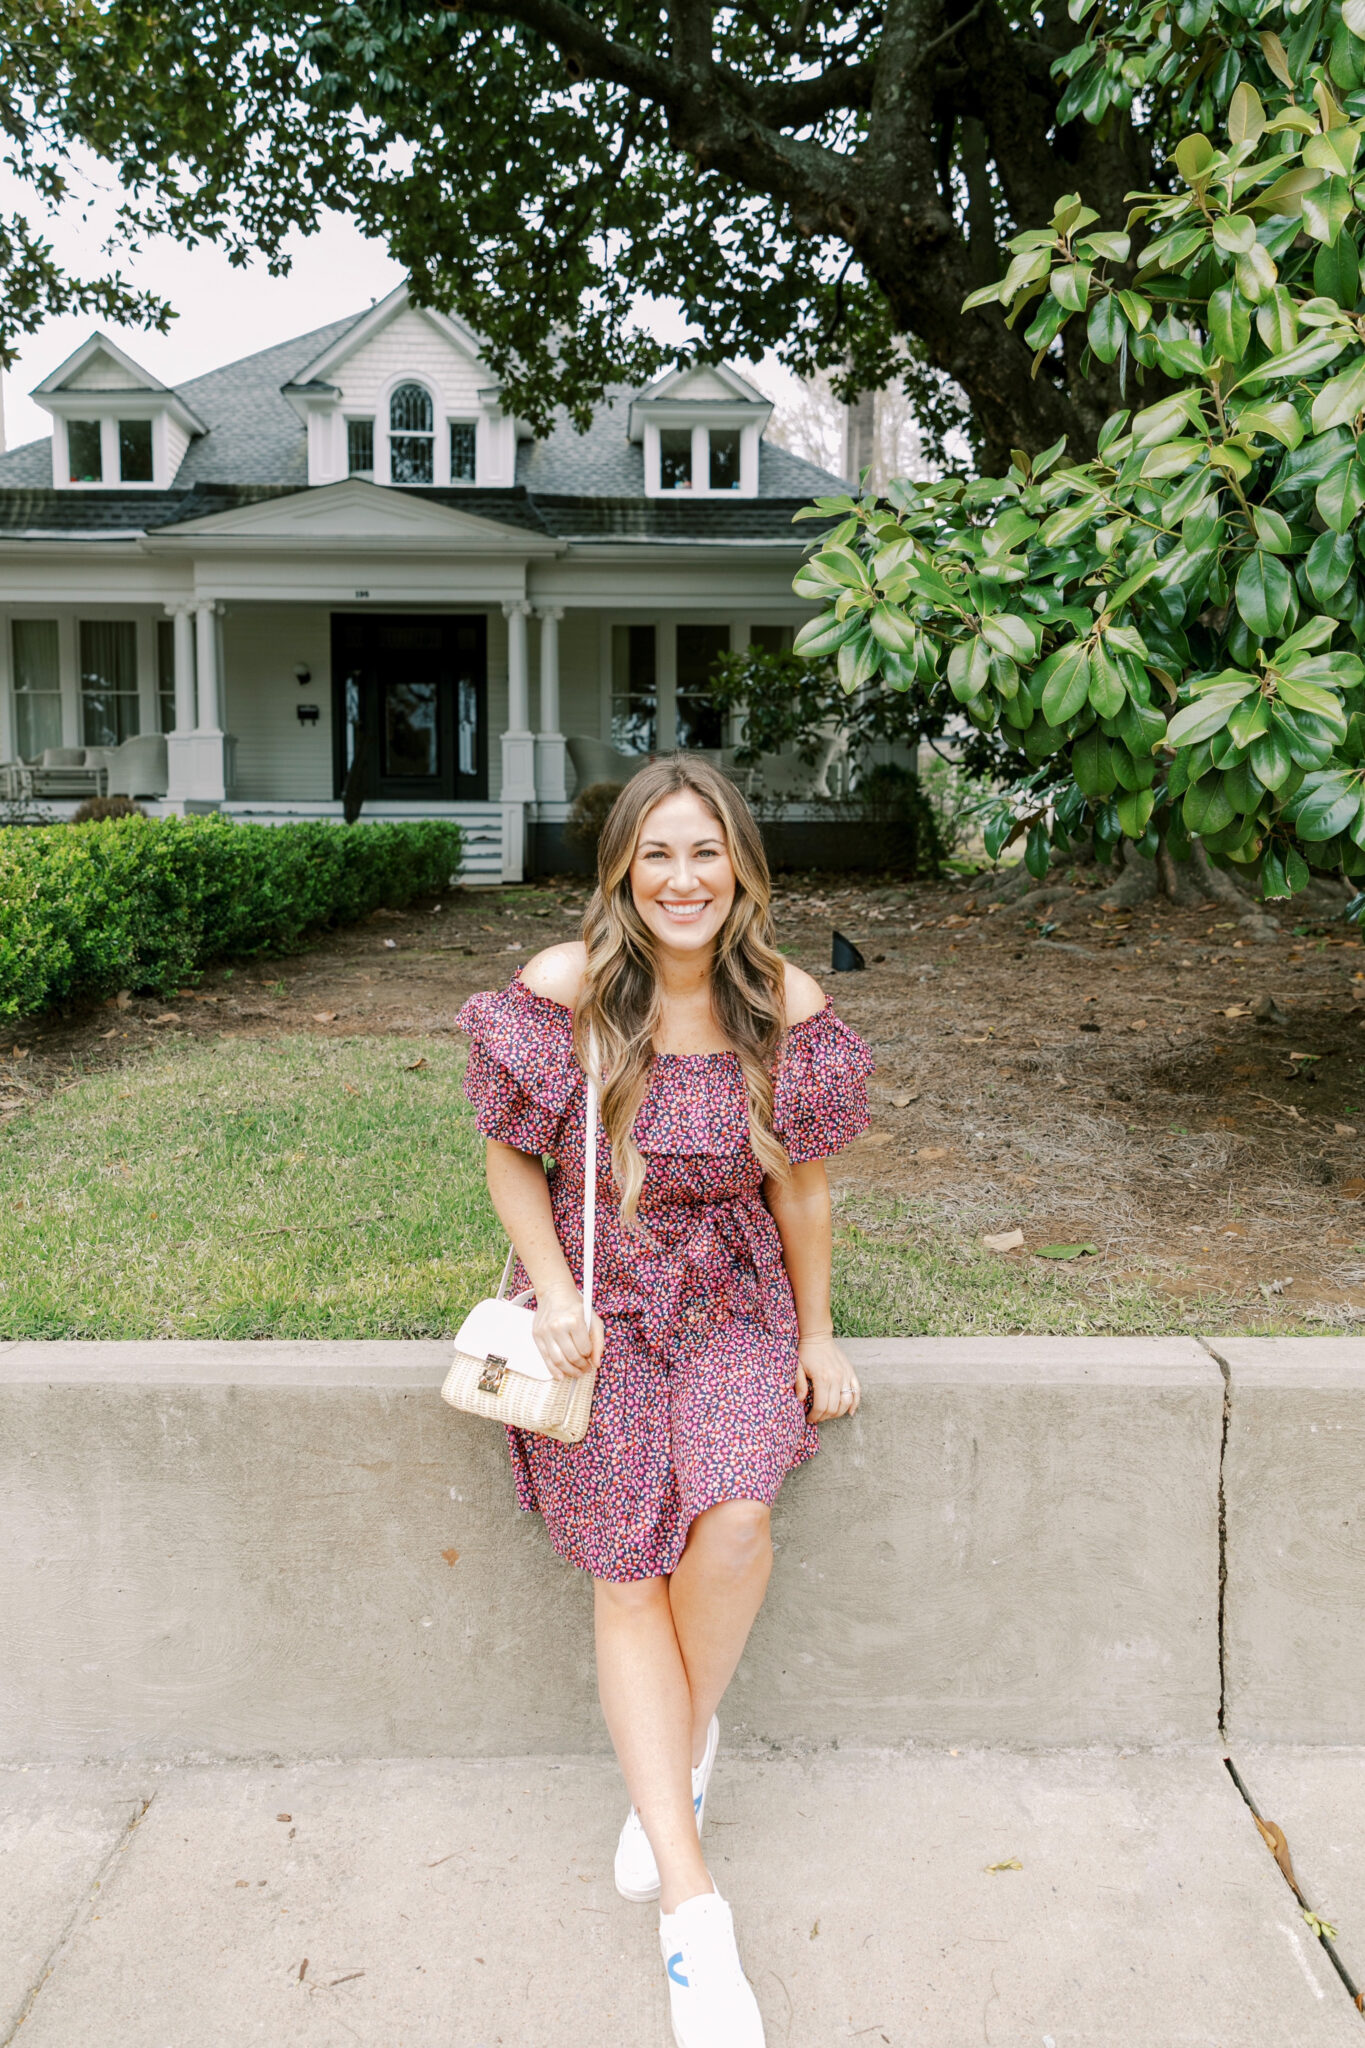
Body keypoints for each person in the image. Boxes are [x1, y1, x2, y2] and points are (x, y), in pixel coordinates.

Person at [457, 755, 873, 2047]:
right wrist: (553, 1290)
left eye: (706, 853)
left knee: (735, 1517)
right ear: (622, 871)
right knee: (627, 1569)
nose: (681, 879)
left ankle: (675, 1758)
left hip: (734, 1300)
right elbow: (509, 1164)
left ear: (742, 865)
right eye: (657, 855)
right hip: (600, 1305)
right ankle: (695, 1918)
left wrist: (816, 1332)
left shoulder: (780, 1004)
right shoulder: (566, 991)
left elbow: (800, 1187)